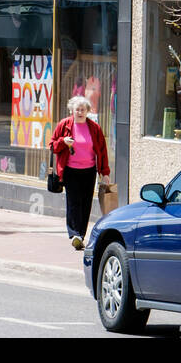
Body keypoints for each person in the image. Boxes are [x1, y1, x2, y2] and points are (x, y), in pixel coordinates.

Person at [49, 96, 111, 250]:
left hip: (89, 171)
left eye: (83, 109)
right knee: (73, 202)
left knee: (85, 203)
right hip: (70, 171)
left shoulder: (94, 128)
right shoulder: (64, 125)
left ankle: (81, 235)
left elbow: (102, 151)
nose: (80, 112)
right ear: (72, 110)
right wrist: (63, 141)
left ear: (88, 111)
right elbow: (52, 146)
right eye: (77, 109)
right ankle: (74, 233)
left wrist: (105, 173)